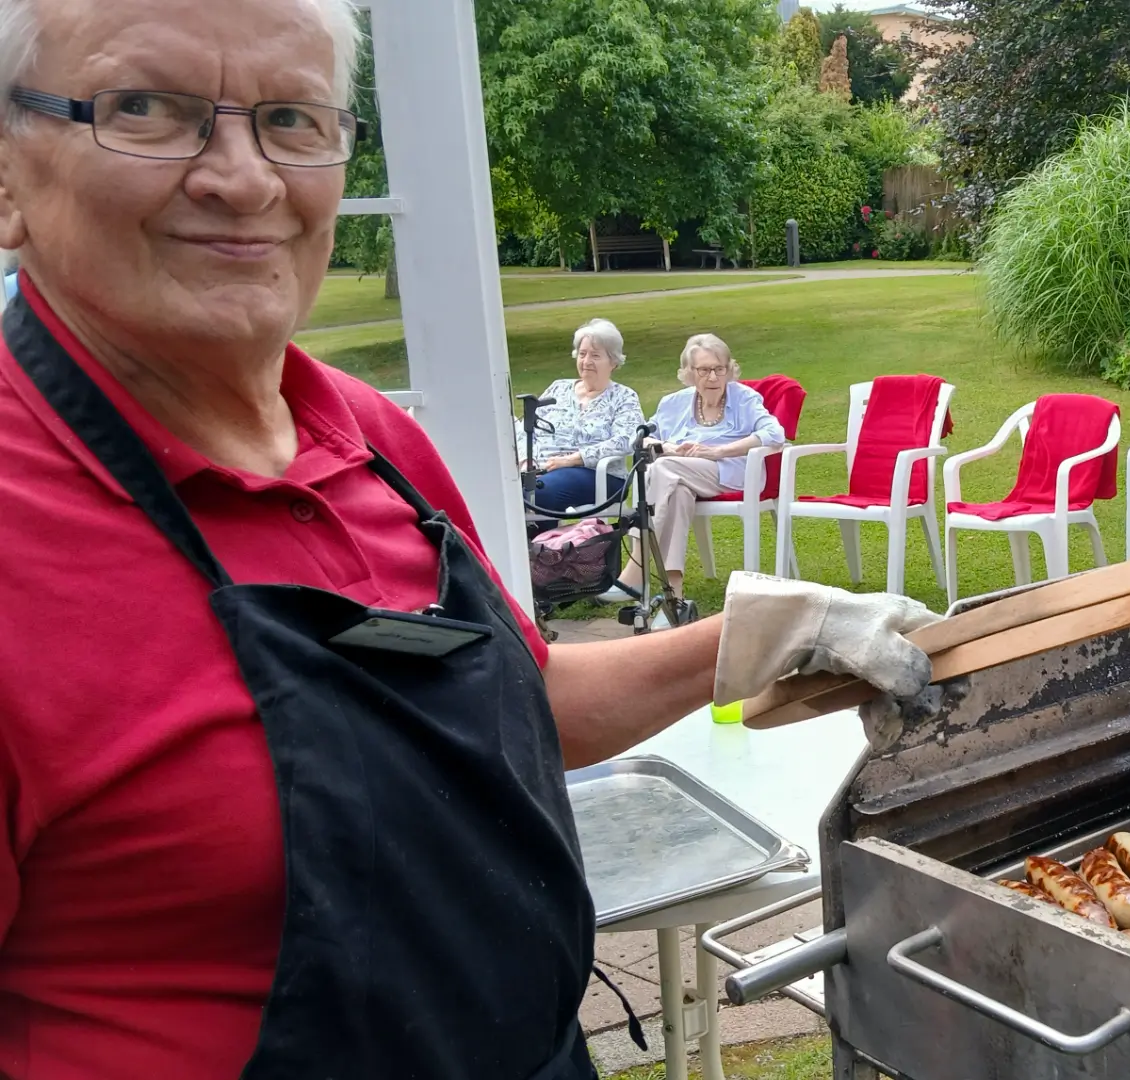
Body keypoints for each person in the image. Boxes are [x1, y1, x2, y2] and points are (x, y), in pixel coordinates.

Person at [0, 0, 943, 1076]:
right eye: (145, 108)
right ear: (7, 175)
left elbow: (517, 700)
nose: (245, 179)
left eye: (291, 119)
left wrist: (772, 630)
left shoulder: (372, 435)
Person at [606, 333, 785, 600]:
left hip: (731, 471)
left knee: (661, 469)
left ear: (728, 370)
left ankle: (637, 567)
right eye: (704, 370)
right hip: (681, 473)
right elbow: (641, 439)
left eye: (719, 369)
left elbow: (775, 433)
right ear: (690, 373)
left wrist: (718, 451)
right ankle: (674, 594)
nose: (712, 377)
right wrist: (668, 447)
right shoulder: (673, 403)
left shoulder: (745, 398)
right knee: (677, 492)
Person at [525, 317, 646, 516]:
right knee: (512, 488)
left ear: (613, 362)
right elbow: (527, 427)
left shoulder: (624, 397)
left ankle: (540, 537)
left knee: (536, 492)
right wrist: (525, 460)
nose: (586, 361)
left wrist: (574, 459)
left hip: (598, 474)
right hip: (542, 468)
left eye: (595, 355)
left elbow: (626, 440)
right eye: (582, 354)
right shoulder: (558, 388)